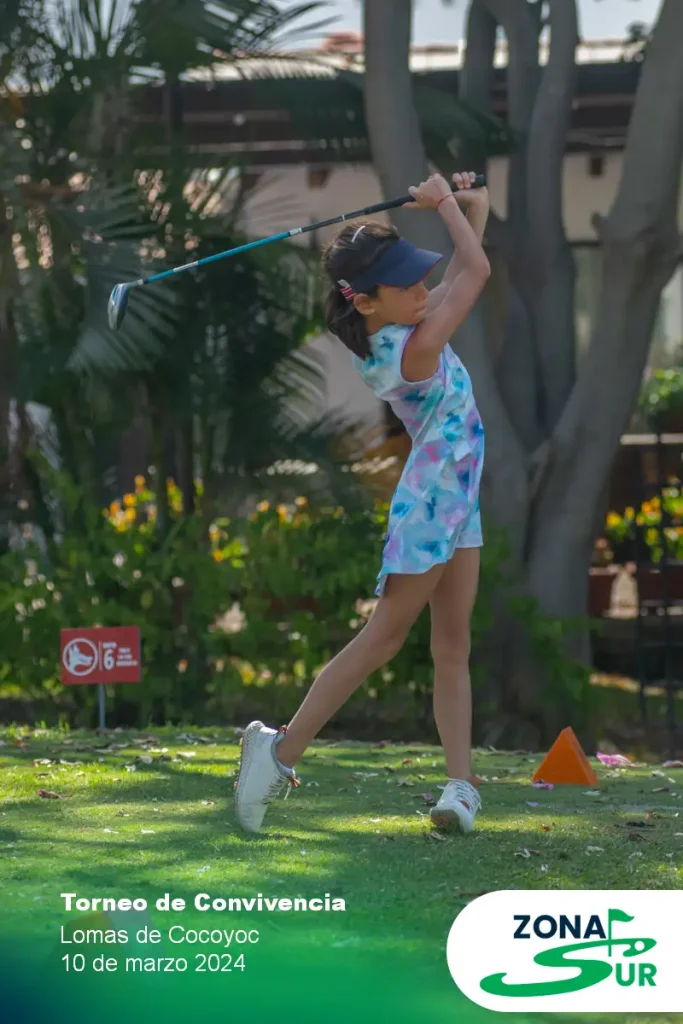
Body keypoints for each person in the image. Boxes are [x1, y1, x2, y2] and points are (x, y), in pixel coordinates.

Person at [235, 171, 490, 836]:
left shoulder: (402, 321)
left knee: (452, 646)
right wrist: (446, 205)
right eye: (405, 284)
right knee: (383, 638)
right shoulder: (414, 347)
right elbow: (476, 273)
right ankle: (279, 752)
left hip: (456, 501)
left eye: (417, 278)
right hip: (432, 504)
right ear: (366, 301)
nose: (420, 289)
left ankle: (459, 787)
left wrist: (473, 208)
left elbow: (459, 272)